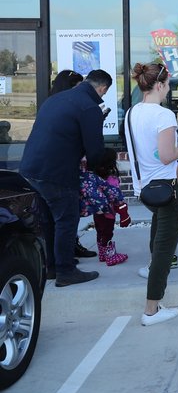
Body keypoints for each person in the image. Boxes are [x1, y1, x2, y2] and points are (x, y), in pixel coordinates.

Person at [20, 69, 111, 286]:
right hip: (57, 172)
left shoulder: (55, 99)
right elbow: (95, 152)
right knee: (66, 220)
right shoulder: (89, 107)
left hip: (30, 169)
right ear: (102, 88)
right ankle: (66, 271)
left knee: (48, 221)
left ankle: (52, 268)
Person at [124, 63, 178, 325]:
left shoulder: (131, 112)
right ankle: (151, 309)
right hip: (167, 187)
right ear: (159, 85)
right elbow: (167, 156)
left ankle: (150, 268)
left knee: (158, 229)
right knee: (165, 248)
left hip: (145, 188)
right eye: (168, 84)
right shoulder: (163, 115)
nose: (169, 89)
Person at [48, 69, 99, 260]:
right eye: (78, 87)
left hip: (51, 168)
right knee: (66, 218)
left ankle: (62, 256)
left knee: (61, 217)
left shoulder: (54, 104)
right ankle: (65, 264)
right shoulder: (64, 105)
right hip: (59, 170)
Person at [79, 148, 130, 266]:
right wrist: (124, 213)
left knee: (100, 231)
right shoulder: (111, 179)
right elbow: (116, 198)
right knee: (107, 233)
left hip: (98, 212)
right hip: (109, 212)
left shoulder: (93, 177)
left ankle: (102, 254)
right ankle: (110, 256)